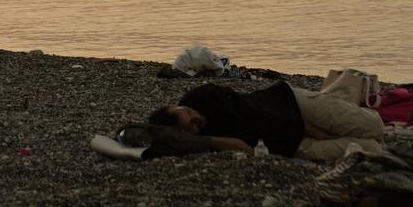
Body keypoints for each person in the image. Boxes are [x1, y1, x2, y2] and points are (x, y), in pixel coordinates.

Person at [148, 81, 383, 160]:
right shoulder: (202, 142)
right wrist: (207, 139)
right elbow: (245, 149)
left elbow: (262, 115)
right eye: (189, 125)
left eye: (188, 112)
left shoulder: (205, 97)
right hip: (294, 146)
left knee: (375, 126)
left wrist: (312, 129)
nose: (195, 117)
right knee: (373, 147)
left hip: (293, 105)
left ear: (176, 105)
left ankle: (342, 99)